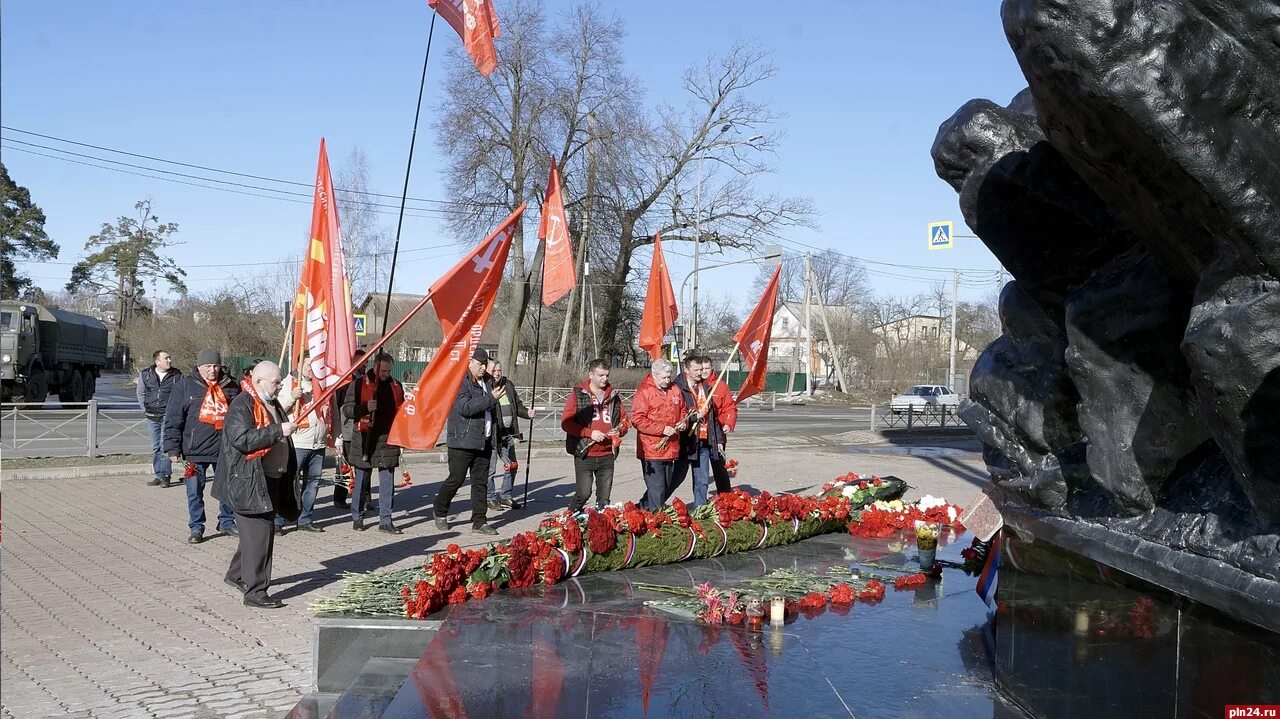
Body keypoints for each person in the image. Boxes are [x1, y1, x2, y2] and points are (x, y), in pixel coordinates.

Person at [212, 361, 298, 609]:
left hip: (269, 478)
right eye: (276, 382)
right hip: (248, 481)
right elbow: (242, 439)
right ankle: (256, 592)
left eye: (280, 382)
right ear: (258, 381)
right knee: (260, 536)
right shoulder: (243, 404)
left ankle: (237, 574)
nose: (279, 386)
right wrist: (277, 430)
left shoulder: (270, 402)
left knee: (256, 536)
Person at [164, 348, 241, 544]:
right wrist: (172, 448)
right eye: (208, 366)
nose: (212, 370)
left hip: (224, 448)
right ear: (199, 367)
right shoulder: (185, 386)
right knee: (194, 492)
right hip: (194, 450)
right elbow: (173, 418)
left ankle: (226, 521)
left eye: (215, 366)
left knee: (227, 489)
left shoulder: (231, 385)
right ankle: (196, 527)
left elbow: (241, 416)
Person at [435, 348, 503, 535]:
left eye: (484, 364)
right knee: (456, 479)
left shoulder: (488, 382)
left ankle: (479, 521)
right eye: (479, 364)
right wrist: (490, 398)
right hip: (462, 441)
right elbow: (465, 408)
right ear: (469, 363)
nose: (483, 368)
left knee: (480, 483)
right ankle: (440, 510)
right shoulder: (460, 382)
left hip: (484, 441)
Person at [342, 352, 406, 534]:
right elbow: (347, 410)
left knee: (387, 481)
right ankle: (358, 516)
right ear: (375, 367)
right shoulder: (359, 384)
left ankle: (385, 520)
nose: (386, 374)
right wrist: (365, 408)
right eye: (383, 370)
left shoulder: (396, 386)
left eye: (389, 370)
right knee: (362, 480)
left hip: (388, 439)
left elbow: (402, 412)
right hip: (365, 438)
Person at [561, 358, 628, 512]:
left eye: (607, 375)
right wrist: (590, 433)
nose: (605, 379)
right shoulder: (578, 394)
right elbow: (566, 423)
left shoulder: (613, 396)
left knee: (604, 498)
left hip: (607, 454)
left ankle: (600, 528)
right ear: (591, 375)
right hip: (585, 452)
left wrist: (619, 431)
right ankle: (568, 520)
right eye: (601, 375)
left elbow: (624, 420)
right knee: (583, 493)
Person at [276, 353, 326, 533]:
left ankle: (305, 518)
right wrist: (291, 397)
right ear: (299, 365)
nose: (311, 368)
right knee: (289, 482)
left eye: (314, 365)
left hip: (318, 443)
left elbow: (331, 411)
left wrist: (336, 438)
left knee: (312, 483)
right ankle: (279, 520)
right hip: (298, 442)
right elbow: (276, 408)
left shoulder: (322, 383)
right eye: (307, 365)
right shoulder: (289, 383)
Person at [668, 354, 722, 509]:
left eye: (702, 369)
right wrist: (692, 418)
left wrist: (718, 440)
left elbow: (713, 417)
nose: (700, 373)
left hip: (703, 441)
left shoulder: (706, 387)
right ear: (686, 369)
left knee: (702, 480)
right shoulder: (677, 387)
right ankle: (650, 505)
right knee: (675, 479)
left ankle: (700, 510)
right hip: (685, 442)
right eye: (696, 370)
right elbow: (674, 415)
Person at [632, 359, 687, 510]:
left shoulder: (675, 389)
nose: (667, 380)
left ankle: (642, 507)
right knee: (657, 487)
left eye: (669, 376)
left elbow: (683, 410)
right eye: (663, 377)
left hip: (671, 447)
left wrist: (684, 422)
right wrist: (662, 429)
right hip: (652, 448)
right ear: (654, 375)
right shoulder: (645, 392)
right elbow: (637, 420)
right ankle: (656, 519)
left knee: (667, 484)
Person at [485, 360, 534, 511]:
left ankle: (506, 496)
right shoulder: (486, 386)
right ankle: (490, 498)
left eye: (499, 370)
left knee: (512, 466)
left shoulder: (509, 385)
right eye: (494, 371)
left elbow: (517, 405)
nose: (497, 373)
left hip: (509, 434)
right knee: (491, 469)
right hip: (493, 435)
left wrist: (527, 413)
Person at [137, 350, 182, 487]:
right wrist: (146, 408)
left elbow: (181, 394)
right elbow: (141, 393)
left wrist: (175, 412)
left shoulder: (176, 375)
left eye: (169, 357)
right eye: (166, 358)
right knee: (155, 446)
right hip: (152, 416)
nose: (169, 360)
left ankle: (166, 476)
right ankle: (158, 474)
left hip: (168, 416)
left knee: (164, 446)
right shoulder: (146, 374)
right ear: (157, 361)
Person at [332, 348, 368, 510]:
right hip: (346, 431)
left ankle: (364, 499)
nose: (365, 364)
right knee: (343, 466)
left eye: (366, 361)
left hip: (363, 429)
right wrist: (337, 432)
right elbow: (337, 407)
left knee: (365, 464)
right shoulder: (344, 382)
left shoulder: (368, 380)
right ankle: (339, 498)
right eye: (361, 361)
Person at [702, 355, 739, 494]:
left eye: (707, 368)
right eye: (702, 368)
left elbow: (730, 408)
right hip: (699, 433)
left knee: (719, 467)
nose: (704, 371)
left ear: (712, 368)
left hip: (717, 434)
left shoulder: (721, 386)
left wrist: (728, 424)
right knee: (701, 470)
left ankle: (725, 496)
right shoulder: (695, 384)